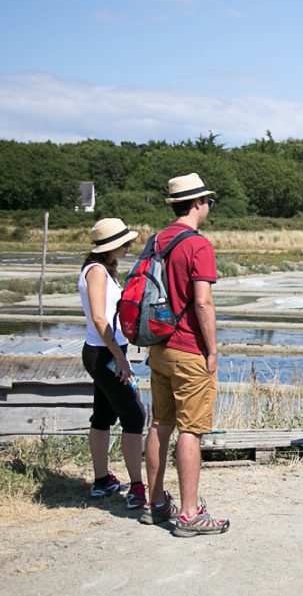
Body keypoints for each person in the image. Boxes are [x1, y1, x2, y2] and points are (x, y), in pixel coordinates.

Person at [141, 173, 230, 537]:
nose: (209, 206)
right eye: (207, 201)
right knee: (191, 430)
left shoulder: (156, 239)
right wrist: (212, 351)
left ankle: (156, 502)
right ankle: (190, 514)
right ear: (197, 204)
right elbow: (203, 302)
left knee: (161, 423)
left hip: (159, 348)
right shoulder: (198, 245)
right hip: (188, 349)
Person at [78, 218, 146, 507]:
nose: (129, 245)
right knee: (135, 415)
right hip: (104, 354)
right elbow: (98, 317)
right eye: (125, 242)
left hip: (106, 351)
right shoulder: (96, 272)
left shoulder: (103, 270)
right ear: (112, 246)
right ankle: (137, 487)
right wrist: (121, 359)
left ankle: (102, 480)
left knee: (103, 416)